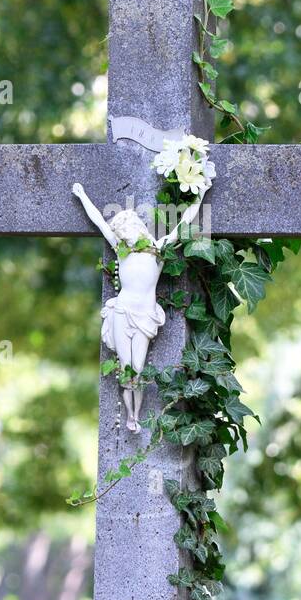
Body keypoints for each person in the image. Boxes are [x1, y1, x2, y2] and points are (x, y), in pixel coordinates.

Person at [72, 183, 204, 432]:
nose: (123, 236)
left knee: (138, 369)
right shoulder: (122, 251)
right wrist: (82, 197)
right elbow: (100, 222)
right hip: (122, 313)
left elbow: (183, 224)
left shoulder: (159, 249)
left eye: (125, 231)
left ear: (136, 227)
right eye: (120, 233)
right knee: (126, 367)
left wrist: (201, 195)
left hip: (144, 315)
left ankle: (135, 413)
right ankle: (131, 417)